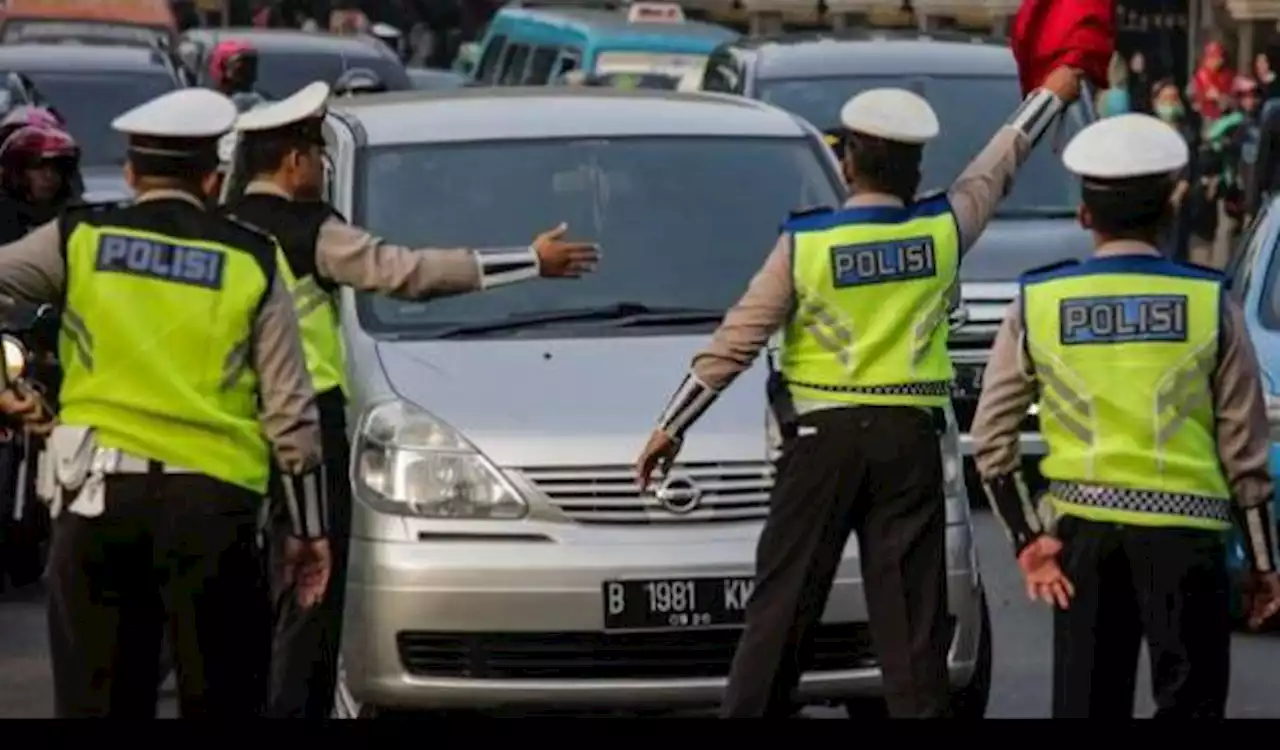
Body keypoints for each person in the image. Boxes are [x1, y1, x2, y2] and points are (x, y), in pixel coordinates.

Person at [634, 68, 1083, 718]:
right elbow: (1000, 160)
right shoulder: (943, 230)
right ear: (915, 168)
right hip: (909, 444)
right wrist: (1052, 94)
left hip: (819, 443)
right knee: (911, 635)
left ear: (846, 162)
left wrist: (671, 426)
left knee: (780, 616)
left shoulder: (807, 244)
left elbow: (738, 339)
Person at [221, 81, 600, 719]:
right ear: (293, 162)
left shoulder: (219, 230)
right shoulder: (312, 230)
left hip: (225, 432)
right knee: (310, 595)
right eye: (317, 154)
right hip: (307, 430)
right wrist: (528, 262)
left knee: (239, 596)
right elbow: (407, 273)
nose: (321, 167)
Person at [0, 87, 331, 717]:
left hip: (97, 506)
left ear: (130, 172)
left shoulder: (79, 239)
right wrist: (310, 533)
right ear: (213, 179)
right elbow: (292, 414)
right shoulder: (251, 259)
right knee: (223, 700)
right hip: (213, 515)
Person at [970, 112, 1280, 718]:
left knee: (1087, 705)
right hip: (1189, 539)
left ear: (1086, 216)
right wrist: (1263, 565)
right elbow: (1245, 450)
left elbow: (992, 439)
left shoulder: (1038, 303)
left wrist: (1030, 539)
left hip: (1084, 539)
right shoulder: (1210, 304)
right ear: (1172, 208)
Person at [0, 126, 83, 244]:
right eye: (38, 167)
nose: (49, 176)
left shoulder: (75, 219)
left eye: (57, 168)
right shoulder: (4, 218)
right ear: (17, 172)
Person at [209, 40, 268, 112]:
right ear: (224, 67)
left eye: (252, 65)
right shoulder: (212, 104)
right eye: (243, 66)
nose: (249, 71)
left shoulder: (261, 100)